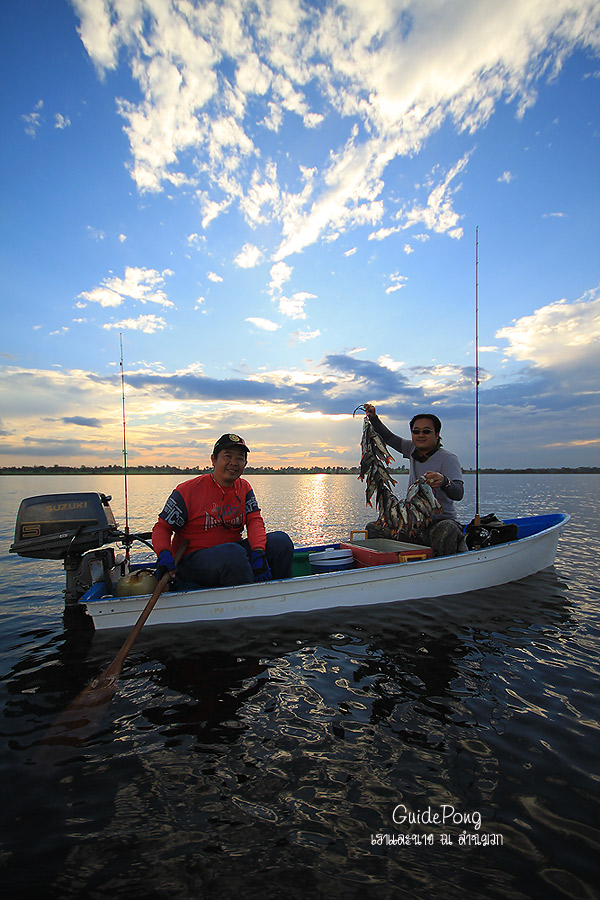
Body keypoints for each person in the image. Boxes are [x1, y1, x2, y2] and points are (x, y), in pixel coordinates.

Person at [152, 433, 294, 587]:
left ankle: (279, 594)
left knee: (281, 541)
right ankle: (245, 601)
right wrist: (164, 552)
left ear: (245, 463)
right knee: (233, 554)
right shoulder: (187, 491)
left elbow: (254, 521)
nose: (233, 463)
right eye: (227, 456)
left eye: (240, 458)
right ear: (213, 459)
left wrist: (258, 551)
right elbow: (162, 528)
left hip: (233, 552)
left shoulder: (244, 488)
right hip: (192, 561)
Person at [363, 404, 467, 556]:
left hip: (439, 523)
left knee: (447, 529)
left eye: (427, 431)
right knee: (373, 527)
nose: (421, 435)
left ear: (437, 434)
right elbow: (389, 437)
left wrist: (445, 482)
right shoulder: (412, 449)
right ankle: (389, 568)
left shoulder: (448, 458)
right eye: (416, 431)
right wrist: (373, 418)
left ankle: (442, 569)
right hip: (412, 523)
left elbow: (458, 493)